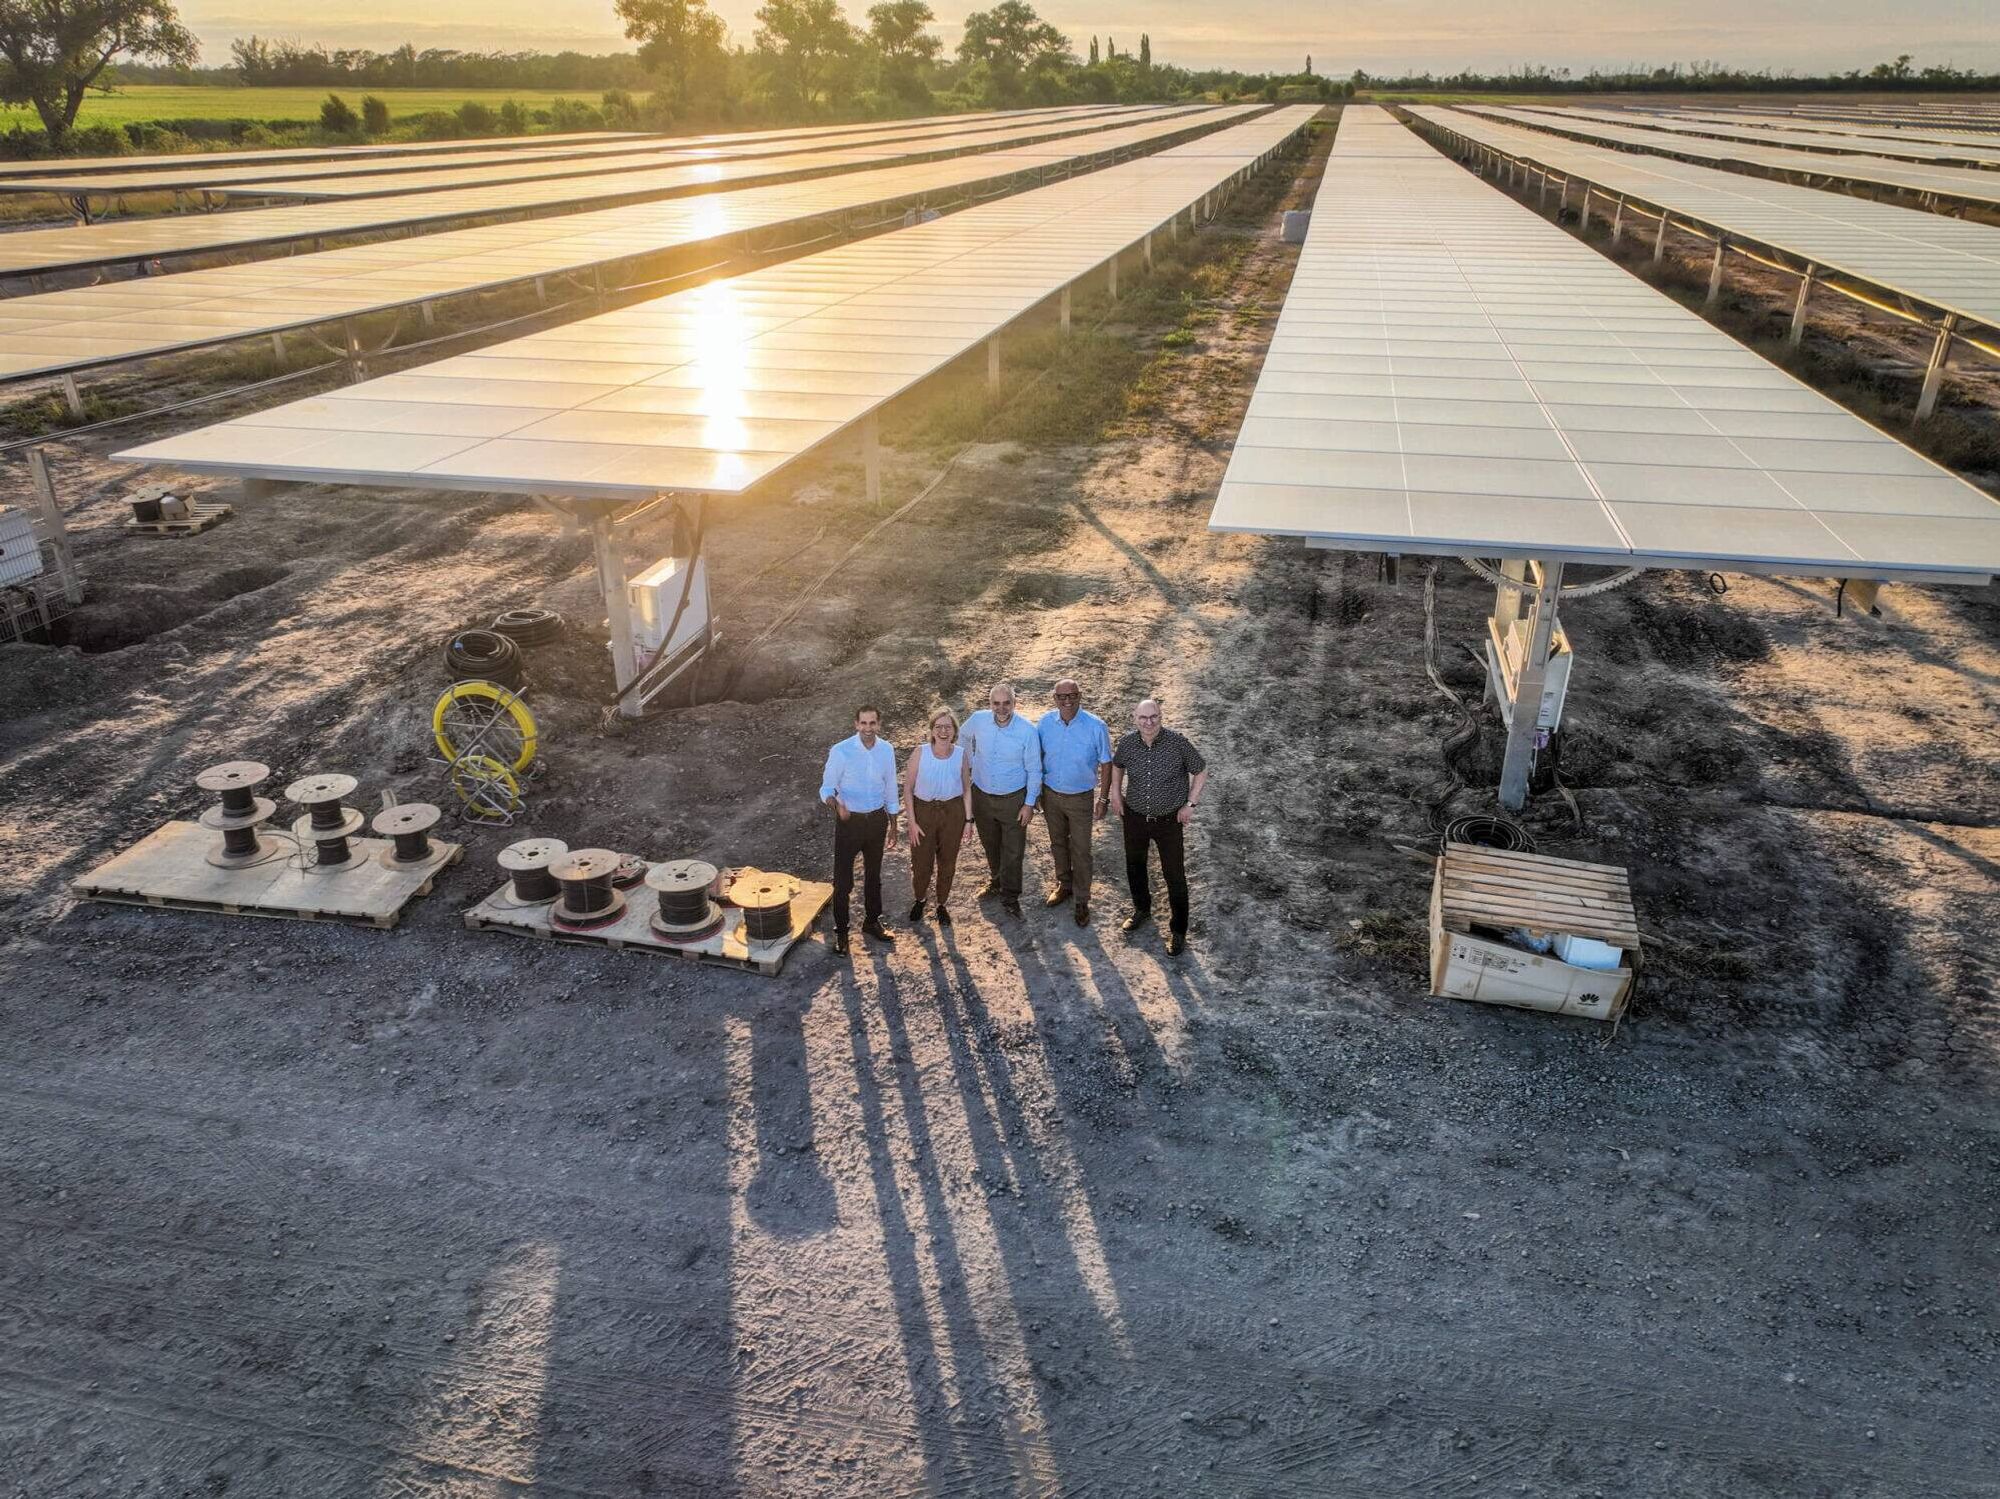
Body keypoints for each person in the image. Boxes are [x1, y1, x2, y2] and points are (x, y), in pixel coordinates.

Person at [1109, 698, 1208, 956]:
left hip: (1168, 822)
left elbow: (1200, 771)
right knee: (1135, 866)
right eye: (1143, 718)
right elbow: (1117, 766)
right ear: (1135, 719)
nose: (1149, 722)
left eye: (1154, 717)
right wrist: (1116, 795)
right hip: (1135, 818)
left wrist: (1191, 804)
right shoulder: (1128, 743)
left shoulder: (1178, 743)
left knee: (1174, 875)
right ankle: (1141, 910)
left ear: (1161, 716)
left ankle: (1178, 931)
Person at [818, 705, 899, 955]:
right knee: (843, 882)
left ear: (879, 724)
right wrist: (837, 805)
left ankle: (871, 922)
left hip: (876, 820)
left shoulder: (887, 750)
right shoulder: (841, 751)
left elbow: (890, 787)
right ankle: (841, 932)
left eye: (872, 723)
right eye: (863, 723)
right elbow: (826, 790)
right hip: (849, 822)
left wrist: (894, 824)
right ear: (855, 724)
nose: (867, 728)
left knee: (873, 876)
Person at [959, 682, 1042, 918]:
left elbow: (1035, 769)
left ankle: (1011, 896)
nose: (1002, 708)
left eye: (1007, 703)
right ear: (990, 704)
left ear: (1015, 703)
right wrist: (969, 761)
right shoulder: (978, 719)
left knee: (1014, 851)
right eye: (997, 703)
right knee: (991, 843)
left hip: (1013, 800)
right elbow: (963, 735)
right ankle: (996, 881)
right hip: (982, 796)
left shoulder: (1027, 730)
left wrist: (1029, 803)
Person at [1035, 677, 1113, 926]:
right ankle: (1064, 885)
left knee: (1081, 849)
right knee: (1058, 843)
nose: (1067, 701)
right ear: (1054, 698)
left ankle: (1081, 899)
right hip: (1051, 795)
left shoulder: (1095, 726)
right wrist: (1036, 790)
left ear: (1080, 696)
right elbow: (1037, 757)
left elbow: (1106, 763)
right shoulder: (1045, 723)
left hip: (1080, 798)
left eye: (1072, 695)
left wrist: (1103, 798)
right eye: (1061, 697)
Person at [902, 707, 973, 927]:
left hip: (953, 812)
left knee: (948, 862)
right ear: (932, 730)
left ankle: (942, 904)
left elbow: (966, 788)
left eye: (948, 727)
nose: (943, 731)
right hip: (924, 811)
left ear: (954, 731)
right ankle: (920, 899)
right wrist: (912, 822)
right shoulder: (920, 752)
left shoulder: (960, 754)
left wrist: (968, 821)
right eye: (938, 726)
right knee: (921, 861)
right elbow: (907, 788)